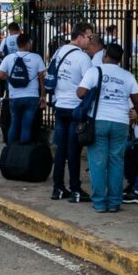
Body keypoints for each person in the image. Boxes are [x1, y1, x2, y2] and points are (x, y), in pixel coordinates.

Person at [76, 44, 138, 213]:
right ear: (120, 58)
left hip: (99, 120)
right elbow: (137, 100)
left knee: (98, 162)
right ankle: (114, 202)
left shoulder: (95, 71)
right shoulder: (127, 76)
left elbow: (81, 93)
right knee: (116, 161)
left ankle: (99, 202)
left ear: (104, 54)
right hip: (121, 122)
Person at [49, 23, 94, 202]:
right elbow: (88, 84)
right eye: (89, 37)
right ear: (80, 36)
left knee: (61, 150)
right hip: (75, 107)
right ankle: (75, 189)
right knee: (73, 150)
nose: (90, 41)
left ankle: (58, 187)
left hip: (60, 105)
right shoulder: (83, 58)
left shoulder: (59, 51)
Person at [0, 33, 47, 145]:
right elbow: (42, 78)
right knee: (27, 125)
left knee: (14, 124)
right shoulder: (36, 57)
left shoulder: (9, 58)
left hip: (14, 97)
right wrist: (43, 95)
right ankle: (23, 153)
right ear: (28, 43)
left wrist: (10, 78)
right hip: (32, 96)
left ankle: (11, 150)